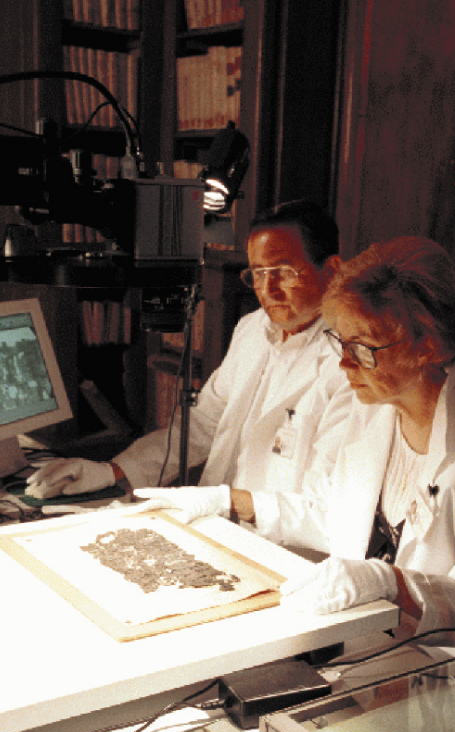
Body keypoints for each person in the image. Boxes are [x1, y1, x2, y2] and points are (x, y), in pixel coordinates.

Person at [140, 237, 455, 698]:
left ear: (428, 345)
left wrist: (389, 582)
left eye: (363, 347)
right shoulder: (374, 408)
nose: (345, 363)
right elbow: (334, 515)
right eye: (341, 342)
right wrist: (230, 502)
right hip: (397, 649)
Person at [25, 200, 354, 512]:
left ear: (332, 270)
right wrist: (112, 471)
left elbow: (322, 508)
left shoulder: (354, 362)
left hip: (279, 540)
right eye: (258, 273)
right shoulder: (253, 329)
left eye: (284, 271)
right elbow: (202, 424)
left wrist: (223, 506)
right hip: (218, 520)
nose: (268, 290)